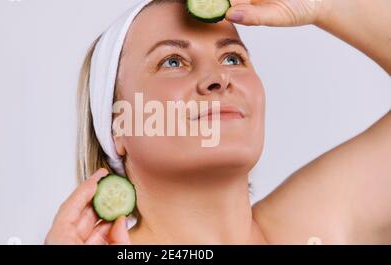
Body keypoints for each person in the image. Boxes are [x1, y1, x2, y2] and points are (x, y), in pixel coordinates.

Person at [45, 0, 391, 245]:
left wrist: (327, 4)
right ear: (117, 124)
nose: (218, 78)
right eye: (172, 61)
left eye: (232, 57)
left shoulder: (312, 227)